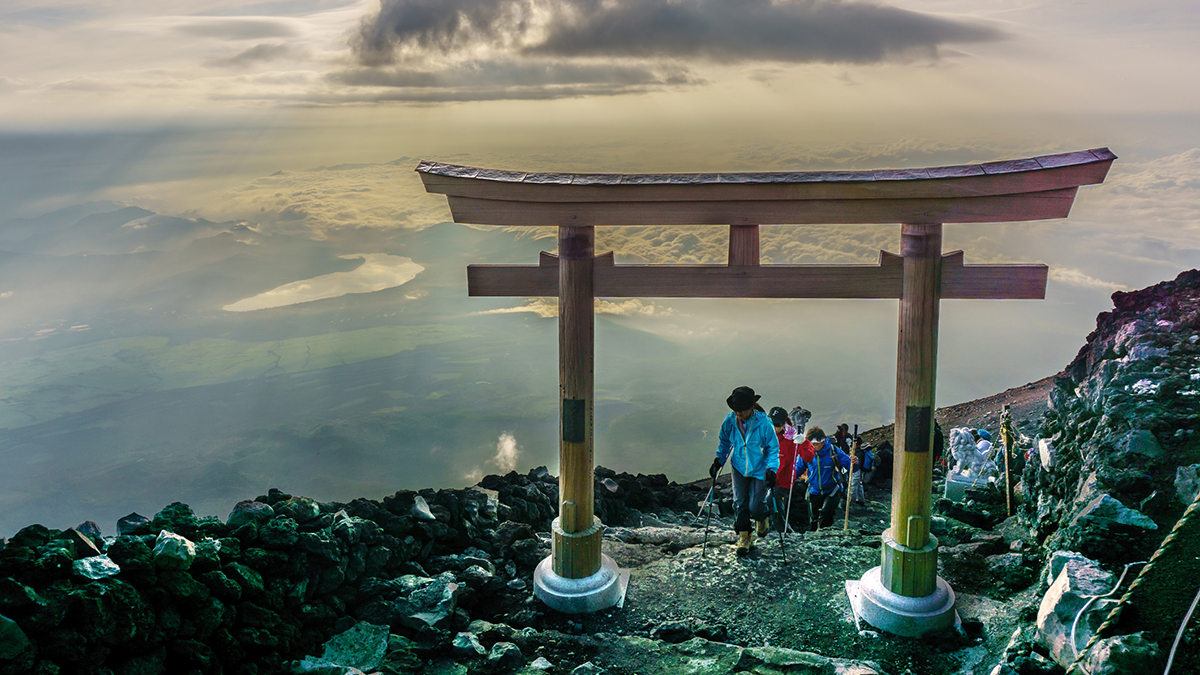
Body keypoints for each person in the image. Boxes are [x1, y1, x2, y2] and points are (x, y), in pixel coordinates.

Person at [712, 386, 780, 556]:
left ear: (751, 407)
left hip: (760, 468)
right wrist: (719, 460)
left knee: (755, 505)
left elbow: (773, 449)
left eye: (741, 410)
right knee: (740, 503)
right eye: (735, 410)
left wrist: (772, 470)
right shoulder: (730, 422)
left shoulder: (764, 424)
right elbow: (725, 443)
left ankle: (762, 516)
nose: (738, 414)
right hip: (739, 466)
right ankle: (744, 537)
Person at [794, 426, 852, 530]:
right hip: (814, 490)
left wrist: (854, 463)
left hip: (832, 490)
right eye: (811, 444)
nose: (813, 447)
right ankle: (814, 537)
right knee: (813, 518)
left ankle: (824, 535)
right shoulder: (807, 452)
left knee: (826, 513)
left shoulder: (833, 451)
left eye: (815, 444)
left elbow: (850, 465)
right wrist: (789, 478)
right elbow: (799, 468)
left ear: (823, 441)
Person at [767, 407, 803, 533]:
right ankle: (774, 528)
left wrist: (802, 442)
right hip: (767, 477)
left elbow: (808, 455)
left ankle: (783, 530)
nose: (774, 427)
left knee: (771, 499)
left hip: (783, 480)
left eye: (776, 424)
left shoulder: (792, 437)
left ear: (784, 424)